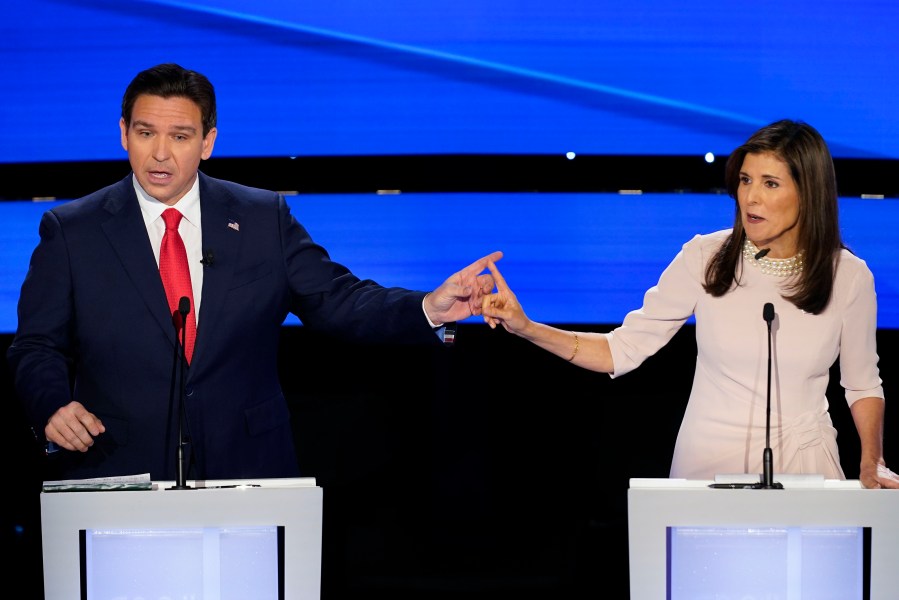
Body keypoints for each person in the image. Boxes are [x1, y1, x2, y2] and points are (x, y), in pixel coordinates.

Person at [7, 62, 502, 482]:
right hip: (119, 467)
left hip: (246, 468)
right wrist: (51, 405)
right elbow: (36, 344)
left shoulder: (263, 218)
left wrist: (428, 307)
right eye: (145, 133)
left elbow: (339, 300)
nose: (160, 153)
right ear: (123, 134)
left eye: (180, 136)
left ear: (207, 142)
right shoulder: (73, 230)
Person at [480, 119, 899, 489]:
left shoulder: (848, 276)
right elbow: (620, 349)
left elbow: (862, 384)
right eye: (745, 179)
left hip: (806, 468)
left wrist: (871, 458)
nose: (749, 197)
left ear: (808, 193)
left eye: (770, 183)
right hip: (709, 469)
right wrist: (527, 327)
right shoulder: (706, 257)